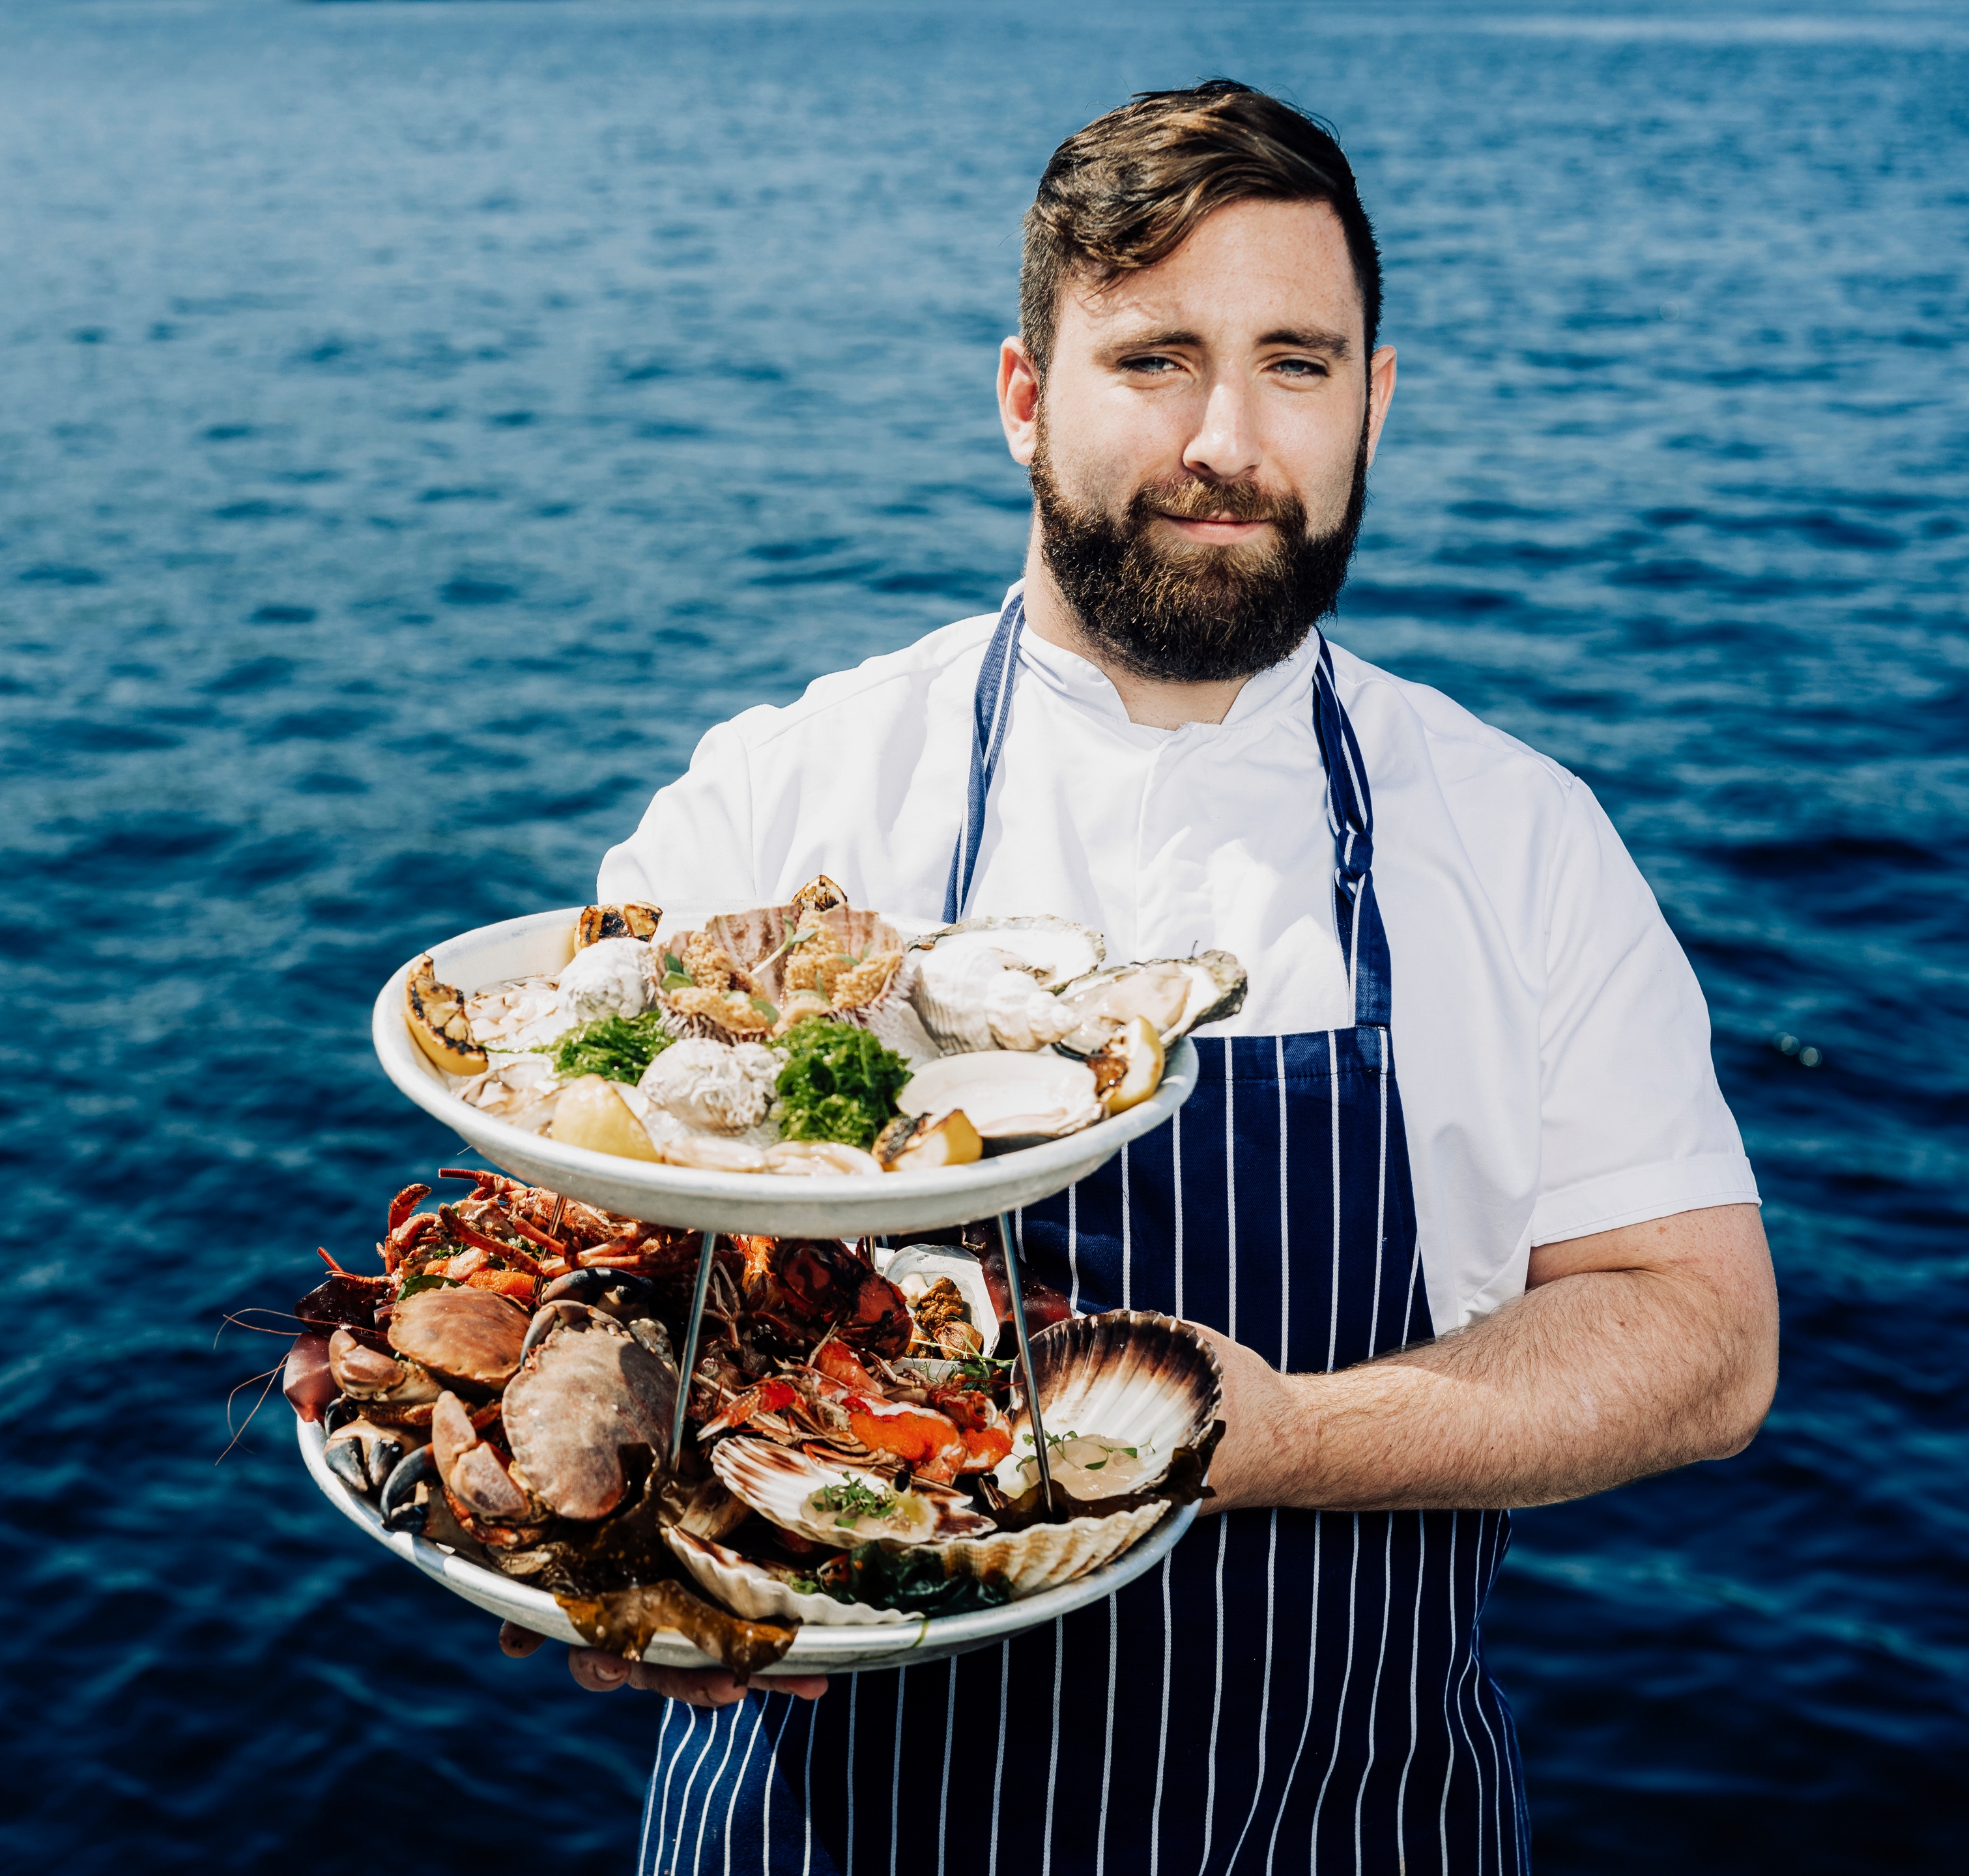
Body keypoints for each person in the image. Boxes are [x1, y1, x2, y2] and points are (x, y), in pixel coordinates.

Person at [496, 79, 1777, 1875]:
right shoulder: (789, 792)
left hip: (1348, 1831)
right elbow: (569, 1236)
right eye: (1155, 357)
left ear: (1375, 407)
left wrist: (1285, 1440)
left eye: (1298, 365)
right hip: (802, 1833)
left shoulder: (1517, 837)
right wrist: (618, 1534)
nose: (1228, 439)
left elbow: (1706, 1342)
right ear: (1025, 400)